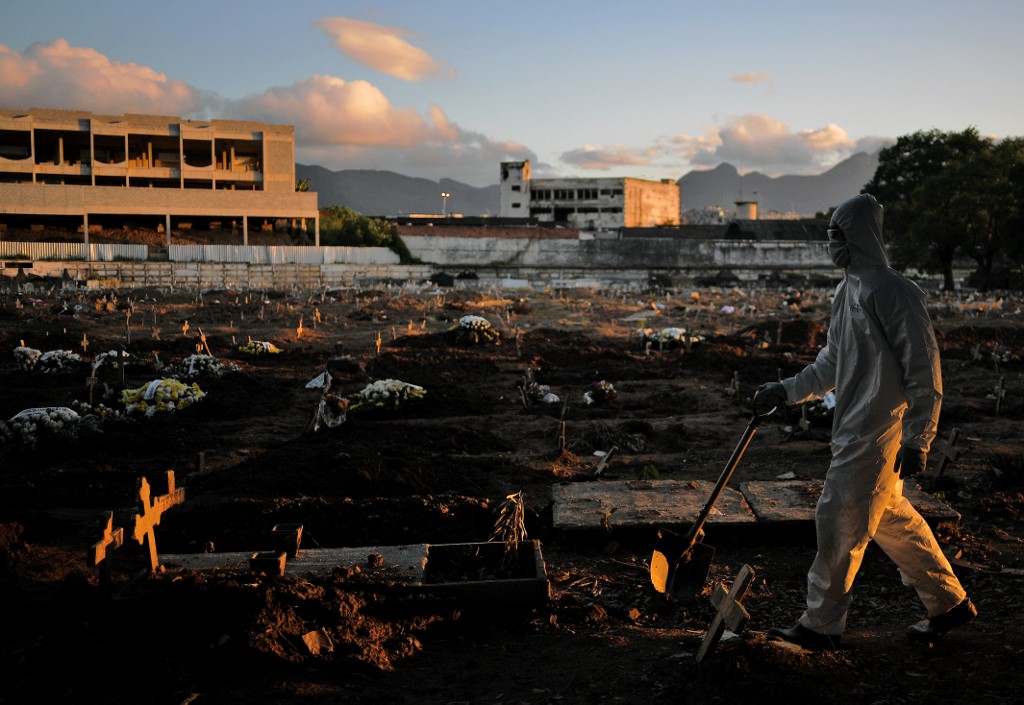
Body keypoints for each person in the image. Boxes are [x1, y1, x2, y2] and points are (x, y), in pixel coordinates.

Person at [757, 193, 976, 650]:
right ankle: (949, 603)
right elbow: (832, 362)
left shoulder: (893, 290)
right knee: (893, 520)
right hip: (854, 427)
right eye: (830, 234)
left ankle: (821, 624)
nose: (832, 242)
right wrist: (787, 390)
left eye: (838, 234)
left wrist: (920, 439)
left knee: (839, 521)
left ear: (859, 235)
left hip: (881, 433)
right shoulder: (848, 289)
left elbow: (924, 367)